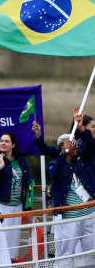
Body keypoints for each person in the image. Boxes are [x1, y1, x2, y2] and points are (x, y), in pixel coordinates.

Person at [48, 111, 95, 259]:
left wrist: (82, 130)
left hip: (90, 214)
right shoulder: (55, 164)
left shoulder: (82, 160)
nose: (75, 146)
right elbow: (55, 174)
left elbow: (93, 147)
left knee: (90, 254)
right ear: (62, 147)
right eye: (70, 144)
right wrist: (64, 155)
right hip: (70, 217)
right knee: (65, 255)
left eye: (75, 143)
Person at [0, 132, 33, 259]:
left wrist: (28, 202)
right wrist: (0, 167)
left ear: (13, 144)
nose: (3, 143)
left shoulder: (21, 161)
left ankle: (10, 263)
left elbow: (28, 181)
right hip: (1, 204)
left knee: (13, 237)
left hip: (17, 205)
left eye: (6, 141)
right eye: (1, 140)